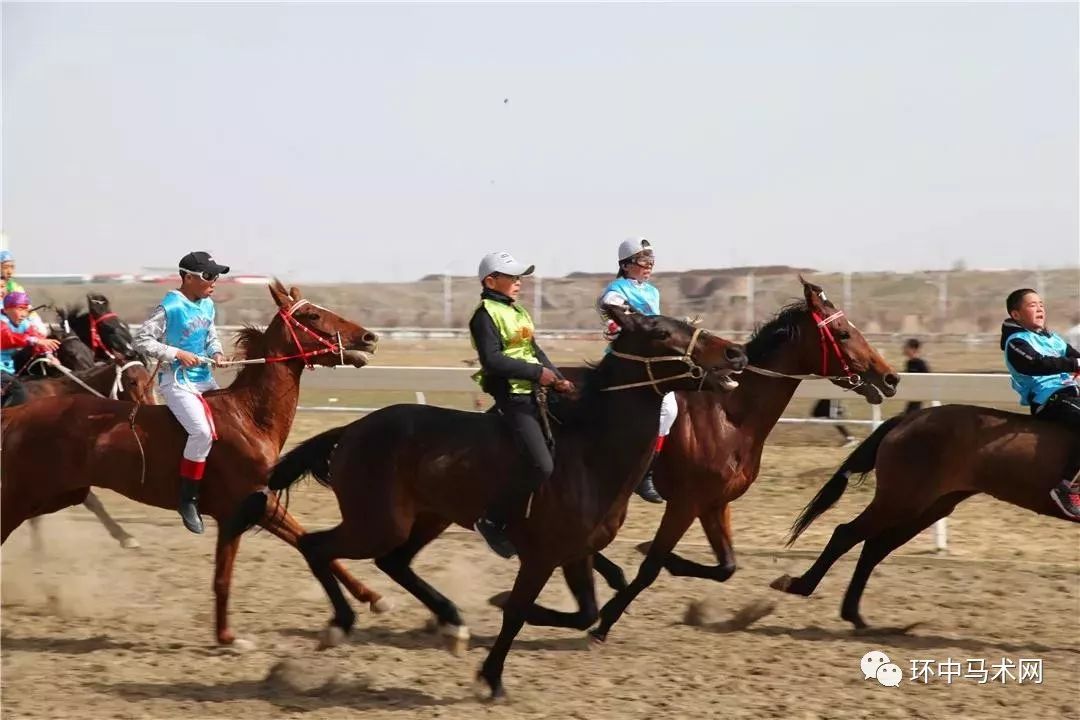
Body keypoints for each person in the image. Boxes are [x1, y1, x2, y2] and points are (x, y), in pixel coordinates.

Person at [469, 251, 574, 558]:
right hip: (513, 397)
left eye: (519, 278)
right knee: (542, 465)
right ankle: (492, 520)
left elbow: (533, 349)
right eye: (512, 277)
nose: (519, 283)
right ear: (491, 281)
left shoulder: (517, 312)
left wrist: (557, 377)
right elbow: (492, 360)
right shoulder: (484, 314)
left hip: (535, 391)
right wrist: (536, 373)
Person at [133, 251, 230, 534]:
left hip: (204, 378)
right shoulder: (170, 306)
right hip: (176, 382)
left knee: (227, 426)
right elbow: (142, 340)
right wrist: (176, 353)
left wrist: (217, 352)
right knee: (201, 432)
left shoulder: (208, 305)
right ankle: (187, 499)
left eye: (216, 276)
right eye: (208, 276)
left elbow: (211, 334)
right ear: (188, 277)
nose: (214, 281)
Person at [596, 237, 675, 503]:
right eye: (643, 261)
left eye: (651, 261)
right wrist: (615, 323)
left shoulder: (653, 292)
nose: (649, 266)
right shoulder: (617, 288)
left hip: (651, 359)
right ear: (627, 265)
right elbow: (608, 306)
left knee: (671, 409)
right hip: (627, 359)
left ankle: (647, 468)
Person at [1000, 288, 1080, 519]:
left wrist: (1075, 361)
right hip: (1050, 399)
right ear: (1016, 315)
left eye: (1041, 304)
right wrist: (1073, 363)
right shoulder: (1016, 342)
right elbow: (1036, 364)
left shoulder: (1053, 339)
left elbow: (1075, 357)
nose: (1040, 308)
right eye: (1032, 305)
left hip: (1071, 395)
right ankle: (1066, 487)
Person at [0, 290, 60, 407]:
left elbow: (37, 336)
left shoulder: (25, 324)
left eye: (26, 309)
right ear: (6, 309)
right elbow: (6, 337)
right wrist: (35, 341)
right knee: (18, 392)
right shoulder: (2, 322)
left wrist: (49, 354)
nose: (24, 313)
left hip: (7, 369)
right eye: (20, 309)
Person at [0, 250, 48, 335]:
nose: (10, 271)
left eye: (12, 267)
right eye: (5, 267)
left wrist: (37, 322)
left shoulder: (16, 287)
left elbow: (27, 308)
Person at [901, 338, 930, 415]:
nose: (904, 349)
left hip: (918, 395)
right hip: (912, 395)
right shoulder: (909, 363)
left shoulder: (921, 363)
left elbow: (928, 379)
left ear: (913, 349)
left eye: (906, 347)